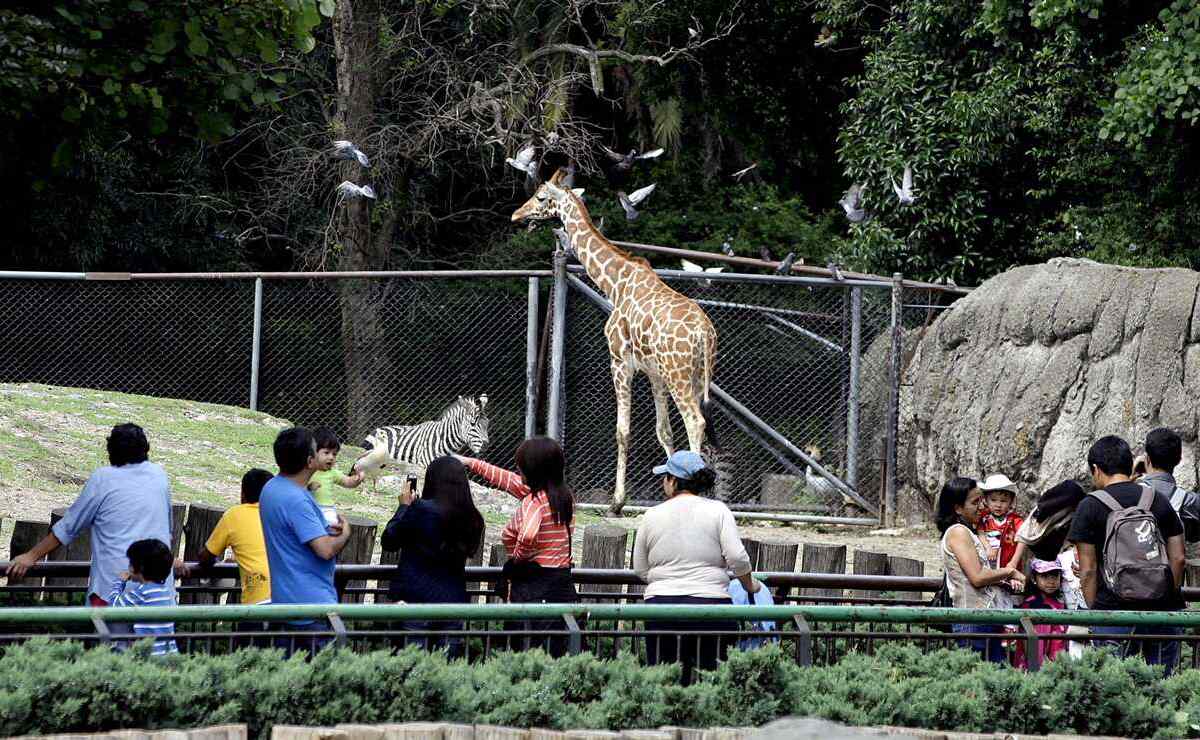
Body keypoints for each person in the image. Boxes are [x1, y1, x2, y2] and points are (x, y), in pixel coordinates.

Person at [5, 424, 176, 607]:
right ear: (146, 448)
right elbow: (167, 530)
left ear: (111, 451)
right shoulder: (159, 476)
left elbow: (68, 527)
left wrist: (31, 556)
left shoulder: (103, 479)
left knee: (109, 636)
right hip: (159, 593)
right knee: (159, 636)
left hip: (113, 593)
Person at [633, 450, 759, 685]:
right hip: (711, 607)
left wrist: (667, 580)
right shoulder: (718, 510)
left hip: (661, 608)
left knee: (664, 680)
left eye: (665, 477)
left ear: (672, 480)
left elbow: (640, 568)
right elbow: (738, 558)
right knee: (711, 679)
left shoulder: (652, 515)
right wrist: (750, 585)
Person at [1068, 435, 1186, 674]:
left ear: (1096, 469)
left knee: (1116, 689)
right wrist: (1164, 595)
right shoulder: (1157, 499)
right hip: (1162, 614)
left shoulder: (1089, 506)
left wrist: (1097, 612)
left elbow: (1088, 569)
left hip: (1113, 613)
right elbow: (1178, 558)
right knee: (1163, 688)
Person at [460, 437, 578, 657]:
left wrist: (518, 558)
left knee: (529, 649)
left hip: (536, 586)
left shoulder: (535, 502)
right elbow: (507, 480)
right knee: (557, 649)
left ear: (534, 472)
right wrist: (471, 463)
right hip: (561, 583)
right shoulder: (563, 497)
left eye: (522, 468)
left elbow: (528, 534)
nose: (518, 472)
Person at [259, 427, 353, 656]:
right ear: (310, 461)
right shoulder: (297, 499)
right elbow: (324, 550)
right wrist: (346, 532)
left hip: (284, 603)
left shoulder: (271, 488)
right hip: (311, 608)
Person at [381, 456, 484, 656]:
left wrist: (404, 507)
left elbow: (390, 540)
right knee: (446, 672)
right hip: (452, 604)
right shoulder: (472, 518)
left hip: (414, 603)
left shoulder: (421, 510)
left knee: (412, 670)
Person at [935, 477, 1025, 663]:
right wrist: (1009, 572)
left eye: (981, 501)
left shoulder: (969, 531)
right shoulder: (958, 532)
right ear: (958, 508)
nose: (982, 507)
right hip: (971, 620)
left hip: (983, 616)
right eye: (975, 502)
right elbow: (977, 577)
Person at [107, 539, 179, 656]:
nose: (128, 567)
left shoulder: (142, 593)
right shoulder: (165, 591)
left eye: (130, 563)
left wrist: (119, 582)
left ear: (139, 568)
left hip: (150, 655)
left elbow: (114, 607)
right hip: (169, 654)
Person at [1137, 427, 1200, 560]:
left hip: (1131, 577)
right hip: (1170, 576)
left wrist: (1131, 474)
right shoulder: (1189, 501)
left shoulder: (1130, 494)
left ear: (1147, 459)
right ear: (1178, 460)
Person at [1013, 558, 1069, 669]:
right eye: (1044, 576)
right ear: (1034, 578)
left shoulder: (1061, 603)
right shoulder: (1032, 605)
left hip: (1059, 664)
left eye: (1055, 576)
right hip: (1040, 668)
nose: (1051, 581)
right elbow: (1035, 645)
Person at [308, 427, 365, 528]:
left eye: (334, 454)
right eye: (326, 453)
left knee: (333, 525)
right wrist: (309, 487)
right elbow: (296, 487)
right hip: (309, 508)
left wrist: (356, 479)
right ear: (313, 452)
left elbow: (347, 481)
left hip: (328, 509)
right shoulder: (307, 470)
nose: (331, 457)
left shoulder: (332, 473)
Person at [978, 474, 1026, 571]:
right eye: (993, 500)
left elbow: (1022, 540)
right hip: (987, 564)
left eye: (1003, 501)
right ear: (985, 500)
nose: (998, 505)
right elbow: (980, 532)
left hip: (1008, 564)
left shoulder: (1015, 520)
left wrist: (1014, 562)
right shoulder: (983, 517)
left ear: (1011, 502)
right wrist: (987, 547)